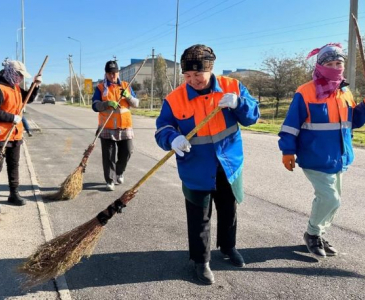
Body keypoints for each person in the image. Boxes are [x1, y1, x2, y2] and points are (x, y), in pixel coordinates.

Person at [155, 44, 260, 284]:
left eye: (197, 75)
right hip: (195, 168)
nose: (192, 80)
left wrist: (239, 103)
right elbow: (162, 128)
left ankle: (228, 247)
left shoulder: (232, 87)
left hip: (228, 164)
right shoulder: (174, 99)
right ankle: (200, 261)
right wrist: (173, 138)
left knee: (228, 209)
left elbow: (252, 117)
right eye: (187, 75)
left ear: (210, 69)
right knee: (199, 215)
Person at [278, 43, 365, 258]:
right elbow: (290, 125)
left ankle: (319, 233)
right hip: (314, 157)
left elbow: (353, 122)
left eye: (339, 63)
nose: (335, 67)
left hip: (339, 157)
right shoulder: (305, 91)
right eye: (330, 63)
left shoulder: (344, 92)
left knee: (332, 201)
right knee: (330, 198)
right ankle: (312, 233)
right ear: (320, 65)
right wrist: (287, 151)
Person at [0, 60, 41, 214]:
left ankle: (13, 194)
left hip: (15, 136)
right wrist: (11, 118)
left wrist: (35, 85)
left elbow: (27, 98)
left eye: (23, 76)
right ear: (11, 72)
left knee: (14, 165)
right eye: (19, 75)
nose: (21, 79)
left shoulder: (15, 88)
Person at [92, 60, 140, 191]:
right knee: (109, 156)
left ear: (118, 73)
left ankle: (119, 172)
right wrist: (106, 104)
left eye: (114, 72)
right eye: (109, 73)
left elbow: (136, 104)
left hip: (125, 126)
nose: (112, 75)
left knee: (128, 151)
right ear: (106, 74)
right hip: (106, 126)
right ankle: (110, 180)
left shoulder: (126, 85)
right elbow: (95, 105)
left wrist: (128, 96)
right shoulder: (101, 88)